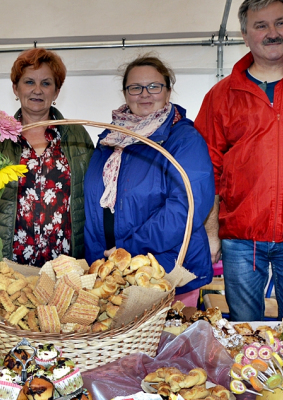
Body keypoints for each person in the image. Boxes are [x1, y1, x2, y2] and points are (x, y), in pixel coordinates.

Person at [195, 0, 283, 321]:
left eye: (280, 23)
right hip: (241, 241)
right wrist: (212, 233)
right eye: (261, 26)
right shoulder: (221, 95)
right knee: (246, 331)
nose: (272, 33)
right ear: (245, 35)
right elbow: (208, 171)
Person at [84, 55, 215, 306]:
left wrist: (126, 250)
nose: (144, 94)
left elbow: (184, 209)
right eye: (135, 87)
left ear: (168, 91)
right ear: (125, 93)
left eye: (154, 86)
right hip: (113, 273)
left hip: (165, 272)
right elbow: (94, 207)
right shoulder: (110, 140)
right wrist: (98, 264)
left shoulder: (184, 139)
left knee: (168, 343)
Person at [0, 48, 95, 266]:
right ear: (15, 88)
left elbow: (94, 195)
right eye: (29, 82)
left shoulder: (76, 135)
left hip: (66, 262)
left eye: (46, 83)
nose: (37, 90)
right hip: (9, 264)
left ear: (57, 92)